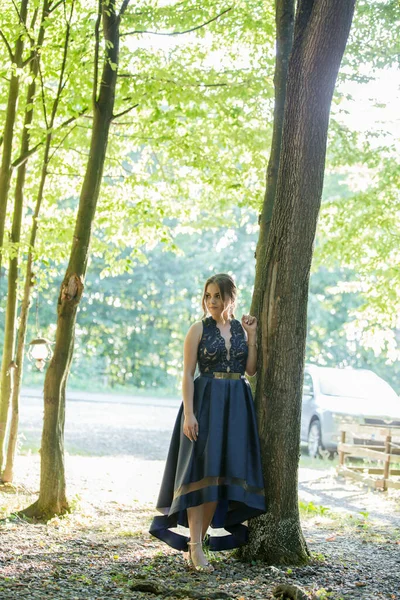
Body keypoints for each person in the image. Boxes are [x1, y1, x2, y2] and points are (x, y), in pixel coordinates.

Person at [149, 273, 266, 571]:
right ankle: (195, 547)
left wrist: (252, 338)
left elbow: (250, 370)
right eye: (208, 296)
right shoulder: (197, 329)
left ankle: (196, 546)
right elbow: (188, 374)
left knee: (220, 477)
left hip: (237, 406)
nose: (212, 301)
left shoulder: (241, 329)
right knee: (200, 474)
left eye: (218, 296)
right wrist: (189, 413)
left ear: (231, 298)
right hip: (205, 403)